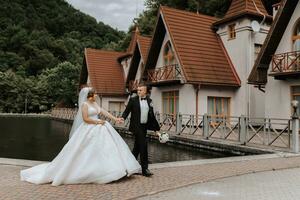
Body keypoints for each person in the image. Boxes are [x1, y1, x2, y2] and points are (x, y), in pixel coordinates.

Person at [20, 87, 141, 186]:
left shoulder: (94, 103)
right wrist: (98, 122)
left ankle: (112, 171)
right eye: (95, 94)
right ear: (90, 95)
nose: (96, 95)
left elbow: (104, 112)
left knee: (106, 149)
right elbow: (86, 119)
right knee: (85, 151)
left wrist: (116, 119)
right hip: (89, 128)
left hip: (101, 128)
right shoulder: (84, 105)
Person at [121, 83, 160, 177]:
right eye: (138, 90)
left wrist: (156, 130)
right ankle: (145, 169)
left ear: (145, 91)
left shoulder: (149, 100)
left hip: (144, 127)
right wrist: (122, 118)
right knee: (144, 145)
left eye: (140, 90)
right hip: (136, 126)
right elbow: (127, 111)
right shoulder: (133, 100)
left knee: (137, 148)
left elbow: (151, 116)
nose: (138, 91)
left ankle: (129, 167)